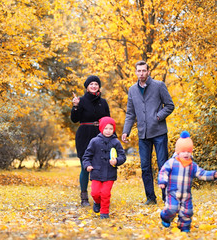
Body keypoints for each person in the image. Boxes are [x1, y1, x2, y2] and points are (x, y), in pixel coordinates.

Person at [122, 60, 175, 205]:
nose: (141, 73)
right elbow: (130, 113)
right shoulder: (132, 90)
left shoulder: (159, 86)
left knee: (163, 165)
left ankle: (166, 198)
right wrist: (125, 131)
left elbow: (170, 105)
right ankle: (150, 198)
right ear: (135, 72)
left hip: (159, 132)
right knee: (145, 167)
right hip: (143, 134)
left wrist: (159, 116)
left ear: (148, 71)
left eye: (144, 70)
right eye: (138, 71)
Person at [158, 131, 217, 232]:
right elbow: (163, 172)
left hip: (186, 195)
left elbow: (201, 174)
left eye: (188, 151)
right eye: (183, 151)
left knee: (187, 212)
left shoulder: (192, 165)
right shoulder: (172, 162)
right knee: (172, 209)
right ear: (178, 152)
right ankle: (165, 217)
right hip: (172, 193)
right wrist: (162, 181)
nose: (186, 154)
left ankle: (184, 227)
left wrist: (212, 175)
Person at [71, 75, 110, 207]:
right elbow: (74, 119)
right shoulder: (80, 100)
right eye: (91, 84)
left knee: (99, 167)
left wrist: (113, 137)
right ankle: (84, 197)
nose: (94, 86)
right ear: (87, 86)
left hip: (100, 136)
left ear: (99, 87)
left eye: (96, 84)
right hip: (84, 136)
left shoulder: (103, 102)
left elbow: (108, 121)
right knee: (85, 167)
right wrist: (75, 107)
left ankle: (98, 196)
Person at [82, 117, 126, 219]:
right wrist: (87, 165)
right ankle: (97, 202)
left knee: (105, 193)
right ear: (101, 128)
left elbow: (122, 156)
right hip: (96, 172)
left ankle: (104, 212)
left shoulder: (116, 142)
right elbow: (87, 156)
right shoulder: (94, 141)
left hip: (110, 173)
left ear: (113, 129)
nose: (108, 131)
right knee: (95, 193)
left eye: (111, 129)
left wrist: (116, 161)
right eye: (106, 128)